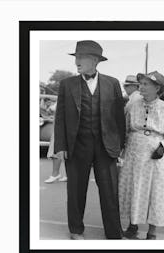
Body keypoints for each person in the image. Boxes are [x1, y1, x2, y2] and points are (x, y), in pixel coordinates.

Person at [54, 40, 125, 240]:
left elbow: (119, 117)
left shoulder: (112, 83)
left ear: (94, 60)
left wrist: (121, 146)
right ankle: (76, 230)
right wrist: (60, 146)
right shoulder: (66, 84)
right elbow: (60, 117)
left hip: (106, 146)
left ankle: (114, 233)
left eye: (80, 57)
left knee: (110, 191)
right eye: (75, 57)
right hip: (77, 145)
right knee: (76, 191)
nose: (76, 61)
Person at [118, 71, 164, 240]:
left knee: (154, 191)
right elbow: (125, 129)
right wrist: (120, 150)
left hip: (154, 157)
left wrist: (163, 147)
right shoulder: (132, 106)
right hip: (133, 153)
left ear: (157, 88)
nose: (141, 87)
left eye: (145, 84)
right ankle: (132, 226)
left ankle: (152, 232)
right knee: (132, 188)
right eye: (141, 84)